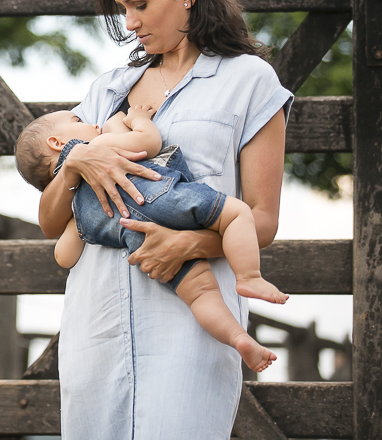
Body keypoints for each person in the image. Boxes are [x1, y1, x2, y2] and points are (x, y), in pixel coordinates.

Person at [37, 0, 293, 440]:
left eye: (140, 4)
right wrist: (77, 161)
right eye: (121, 9)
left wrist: (184, 243)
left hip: (190, 319)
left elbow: (261, 219)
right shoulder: (107, 91)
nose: (129, 22)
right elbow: (50, 222)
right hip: (96, 316)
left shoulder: (249, 81)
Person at [16, 105, 285, 372]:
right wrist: (139, 119)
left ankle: (239, 339)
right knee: (237, 214)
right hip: (165, 200)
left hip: (143, 244)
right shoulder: (98, 146)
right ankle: (249, 277)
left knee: (201, 293)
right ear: (56, 142)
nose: (90, 122)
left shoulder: (75, 207)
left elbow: (64, 257)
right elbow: (149, 142)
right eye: (77, 120)